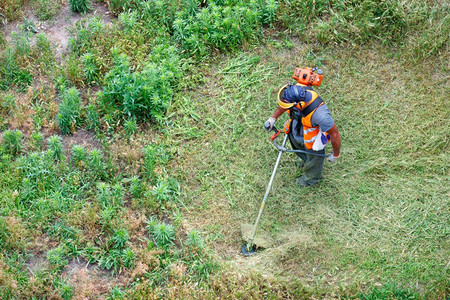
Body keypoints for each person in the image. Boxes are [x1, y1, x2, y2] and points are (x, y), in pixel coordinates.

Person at [265, 71, 341, 187]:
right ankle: (306, 161)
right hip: (298, 127)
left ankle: (311, 179)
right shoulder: (296, 91)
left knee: (314, 156)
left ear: (299, 104)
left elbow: (334, 134)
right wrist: (273, 118)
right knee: (298, 146)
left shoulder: (320, 115)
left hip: (312, 139)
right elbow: (285, 103)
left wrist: (335, 155)